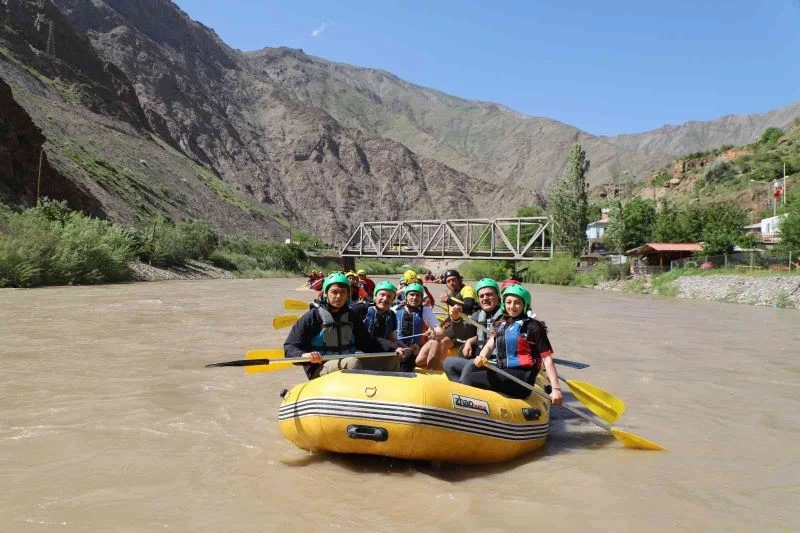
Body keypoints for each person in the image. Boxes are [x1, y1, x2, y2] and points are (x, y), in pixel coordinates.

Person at [449, 284, 563, 403]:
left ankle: (463, 402)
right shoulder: (502, 324)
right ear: (504, 304)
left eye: (517, 303)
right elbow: (490, 344)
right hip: (503, 372)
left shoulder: (534, 327)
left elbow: (547, 359)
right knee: (457, 366)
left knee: (469, 378)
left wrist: (556, 388)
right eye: (508, 302)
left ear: (525, 305)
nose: (512, 306)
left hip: (521, 379)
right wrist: (482, 356)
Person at [284, 272, 405, 379]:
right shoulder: (312, 317)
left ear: (348, 295)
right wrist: (305, 355)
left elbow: (368, 342)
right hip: (320, 368)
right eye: (334, 292)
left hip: (347, 363)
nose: (339, 296)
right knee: (351, 362)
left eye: (343, 292)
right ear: (326, 293)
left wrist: (393, 348)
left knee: (391, 361)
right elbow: (290, 347)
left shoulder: (351, 316)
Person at [443, 277, 503, 382]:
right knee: (448, 363)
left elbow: (495, 337)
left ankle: (463, 386)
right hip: (479, 361)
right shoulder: (478, 315)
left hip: (496, 363)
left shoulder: (506, 316)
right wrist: (456, 319)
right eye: (481, 296)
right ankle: (463, 388)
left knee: (470, 365)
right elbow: (463, 335)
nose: (485, 298)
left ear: (497, 296)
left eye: (489, 294)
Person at [393, 282, 444, 371]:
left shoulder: (425, 311)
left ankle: (432, 372)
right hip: (398, 350)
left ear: (421, 298)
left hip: (417, 352)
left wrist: (435, 334)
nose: (415, 297)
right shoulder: (394, 310)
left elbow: (440, 332)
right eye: (412, 295)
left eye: (418, 295)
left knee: (435, 341)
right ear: (406, 296)